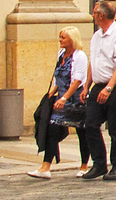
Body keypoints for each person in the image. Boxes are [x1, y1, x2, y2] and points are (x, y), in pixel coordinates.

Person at [81, 0, 116, 181]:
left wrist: (109, 88)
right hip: (99, 84)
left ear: (101, 15)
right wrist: (87, 85)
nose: (93, 15)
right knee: (91, 124)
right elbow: (92, 61)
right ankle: (99, 164)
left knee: (115, 127)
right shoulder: (97, 36)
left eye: (94, 13)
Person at [28, 26, 89, 179]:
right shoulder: (61, 54)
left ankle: (84, 166)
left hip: (75, 100)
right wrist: (51, 94)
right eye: (60, 37)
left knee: (82, 132)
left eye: (63, 38)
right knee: (52, 129)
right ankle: (45, 167)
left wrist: (64, 98)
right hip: (60, 99)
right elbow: (57, 77)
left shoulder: (79, 56)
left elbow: (77, 80)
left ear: (72, 40)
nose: (60, 40)